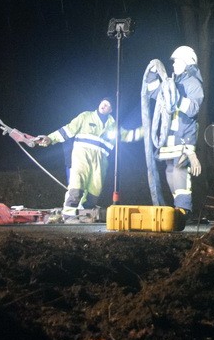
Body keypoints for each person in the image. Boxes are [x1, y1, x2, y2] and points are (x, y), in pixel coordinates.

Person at [35, 98, 142, 221]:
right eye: (103, 102)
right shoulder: (86, 116)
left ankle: (84, 214)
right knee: (77, 184)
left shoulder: (113, 126)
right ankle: (68, 214)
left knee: (95, 189)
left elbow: (128, 136)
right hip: (82, 157)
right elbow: (67, 130)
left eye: (107, 104)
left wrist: (146, 130)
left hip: (100, 163)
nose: (104, 105)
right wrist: (50, 138)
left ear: (111, 110)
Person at [143, 45, 204, 214]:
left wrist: (176, 98)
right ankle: (178, 207)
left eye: (177, 62)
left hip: (183, 139)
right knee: (170, 171)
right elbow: (155, 94)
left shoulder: (193, 83)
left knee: (179, 171)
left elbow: (192, 109)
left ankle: (184, 209)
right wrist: (153, 74)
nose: (173, 65)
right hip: (169, 139)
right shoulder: (173, 82)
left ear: (187, 62)